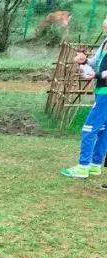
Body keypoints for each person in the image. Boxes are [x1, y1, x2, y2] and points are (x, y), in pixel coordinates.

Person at [62, 17, 107, 179]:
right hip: (102, 91)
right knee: (103, 130)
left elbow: (100, 72)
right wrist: (84, 61)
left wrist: (94, 75)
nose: (105, 29)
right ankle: (95, 165)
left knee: (88, 129)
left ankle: (83, 167)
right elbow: (96, 62)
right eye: (104, 26)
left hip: (105, 95)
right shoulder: (105, 41)